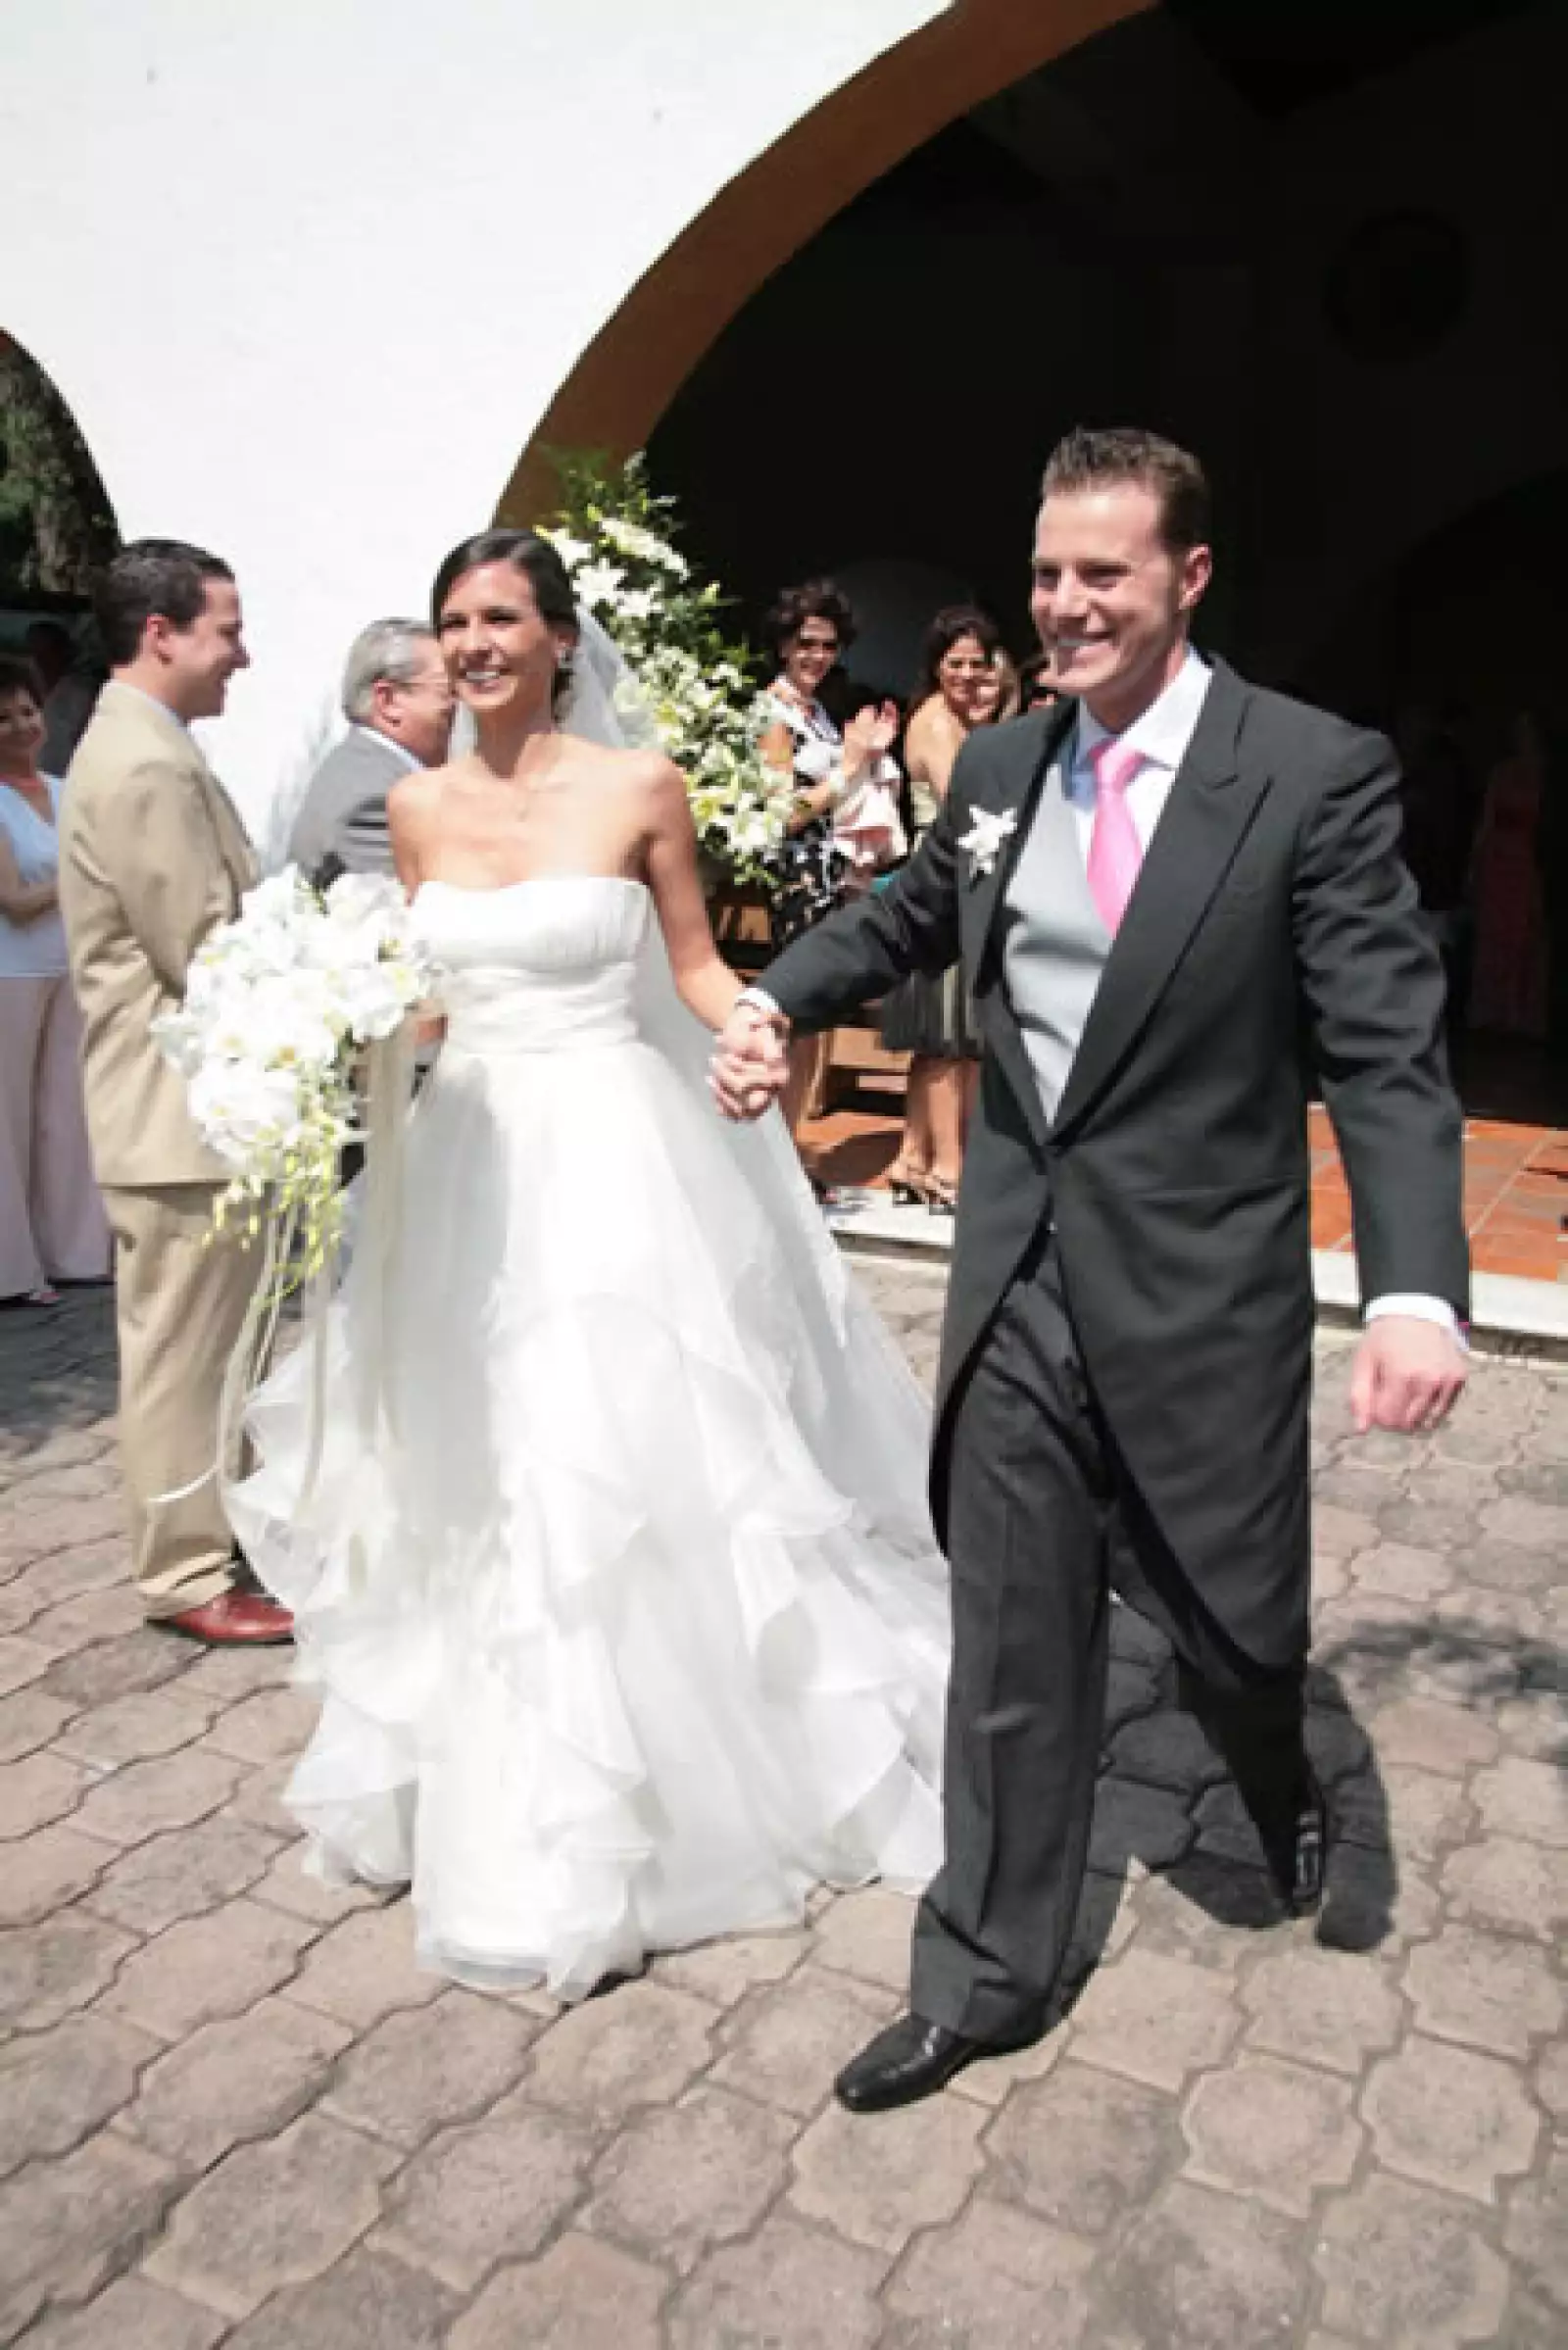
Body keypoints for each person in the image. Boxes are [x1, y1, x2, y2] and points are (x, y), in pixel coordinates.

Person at [713, 426, 1469, 2113]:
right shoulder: (999, 772)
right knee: (1013, 1637)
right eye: (1047, 571)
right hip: (1018, 1280)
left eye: (1100, 573)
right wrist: (779, 995)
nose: (1063, 605)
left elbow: (1391, 1047)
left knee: (1231, 1622)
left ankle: (1272, 1767)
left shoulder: (1311, 771)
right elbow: (913, 913)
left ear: (1188, 579)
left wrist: (1414, 1282)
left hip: (1204, 1290)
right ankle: (982, 1966)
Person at [227, 528, 950, 1997]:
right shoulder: (418, 807)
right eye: (452, 623)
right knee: (470, 1463)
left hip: (612, 1163)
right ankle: (486, 1785)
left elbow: (687, 966)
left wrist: (754, 1027)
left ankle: (656, 1794)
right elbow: (426, 1002)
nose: (475, 643)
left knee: (610, 1453)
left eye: (501, 617)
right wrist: (332, 1022)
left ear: (561, 635)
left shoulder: (640, 787)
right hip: (466, 1165)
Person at [59, 541, 292, 1647]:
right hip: (176, 1114)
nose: (241, 654)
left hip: (192, 1115)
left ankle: (212, 1528)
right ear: (162, 633)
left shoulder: (147, 744)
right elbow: (207, 950)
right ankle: (185, 1568)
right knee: (178, 1357)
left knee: (209, 1350)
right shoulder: (144, 763)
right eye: (226, 629)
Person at [757, 581, 900, 1144]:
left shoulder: (816, 711)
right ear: (784, 646)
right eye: (806, 643)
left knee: (815, 1019)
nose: (817, 656)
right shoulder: (771, 713)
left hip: (827, 875)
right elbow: (781, 813)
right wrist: (848, 769)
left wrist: (868, 757)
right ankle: (778, 1151)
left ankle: (793, 1148)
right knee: (793, 1015)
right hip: (794, 881)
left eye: (828, 645)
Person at [879, 610, 1002, 1213]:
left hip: (955, 884)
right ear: (936, 666)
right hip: (942, 885)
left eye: (979, 664)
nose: (968, 675)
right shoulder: (933, 724)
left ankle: (912, 1157)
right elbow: (971, 807)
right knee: (949, 1035)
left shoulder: (959, 721)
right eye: (956, 663)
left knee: (945, 1034)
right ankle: (949, 1170)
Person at [0, 655, 111, 1304]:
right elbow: (13, 901)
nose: (20, 727)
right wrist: (80, 878)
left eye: (27, 712)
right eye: (3, 717)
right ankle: (14, 1270)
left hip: (72, 964)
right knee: (8, 1122)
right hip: (10, 972)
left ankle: (74, 1252)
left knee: (67, 1114)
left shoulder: (69, 791)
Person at [287, 617, 456, 888]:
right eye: (449, 690)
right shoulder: (374, 803)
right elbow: (412, 913)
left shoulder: (366, 769)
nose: (460, 705)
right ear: (388, 701)